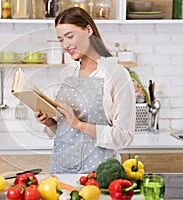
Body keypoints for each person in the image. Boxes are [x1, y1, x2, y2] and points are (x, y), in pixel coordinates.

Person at [35, 7, 136, 174]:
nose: (65, 45)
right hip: (60, 171)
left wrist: (78, 124)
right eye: (61, 39)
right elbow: (65, 131)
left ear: (88, 30)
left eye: (70, 36)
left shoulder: (116, 74)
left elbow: (123, 136)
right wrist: (50, 122)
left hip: (99, 175)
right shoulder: (66, 74)